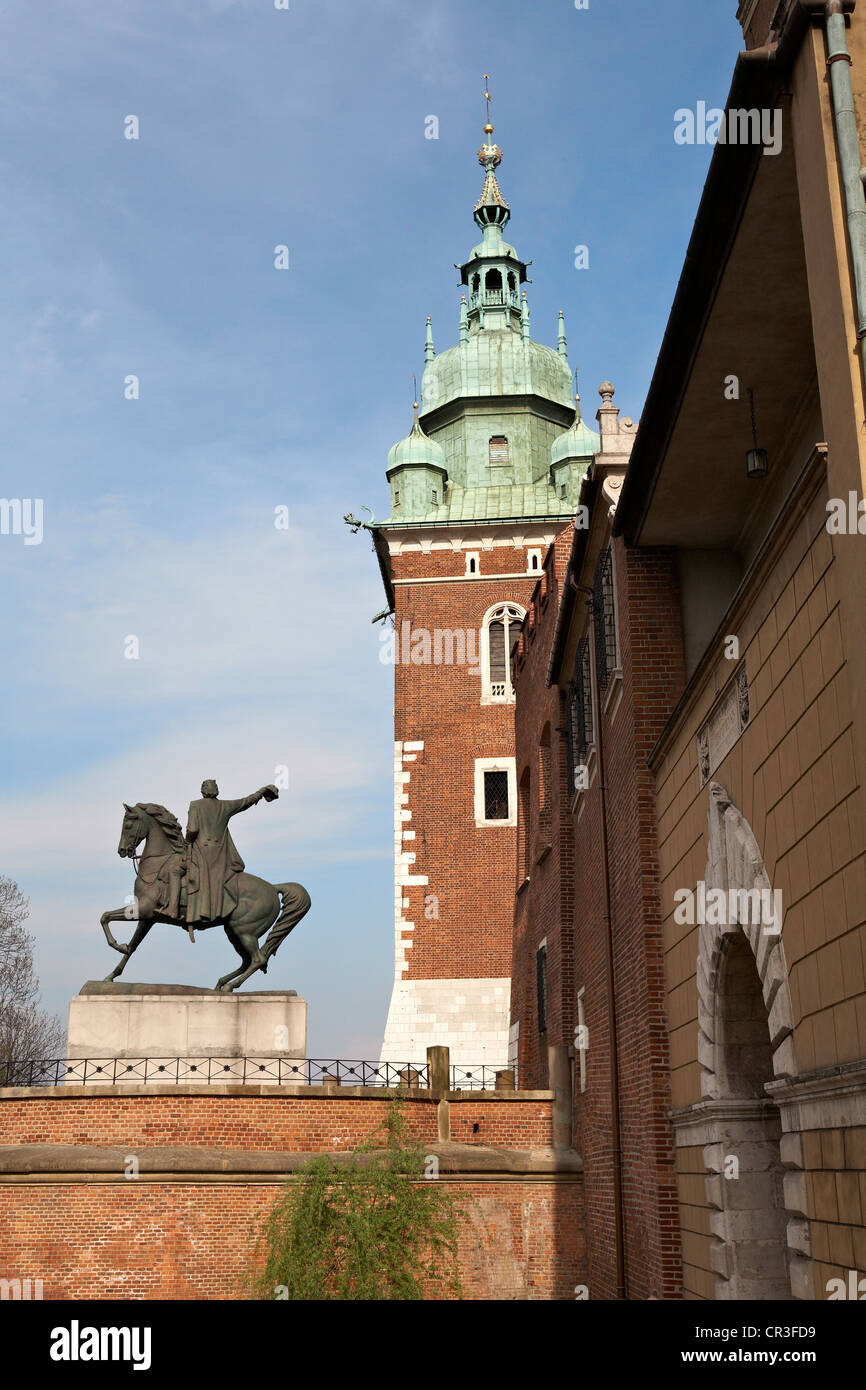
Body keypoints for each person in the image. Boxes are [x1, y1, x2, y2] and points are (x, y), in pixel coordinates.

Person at [185, 779, 278, 927]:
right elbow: (245, 802)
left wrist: (187, 842)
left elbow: (192, 830)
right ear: (216, 790)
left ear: (203, 791)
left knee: (186, 873)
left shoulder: (195, 805)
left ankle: (191, 912)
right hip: (221, 854)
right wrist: (261, 792)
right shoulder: (225, 806)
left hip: (200, 851)